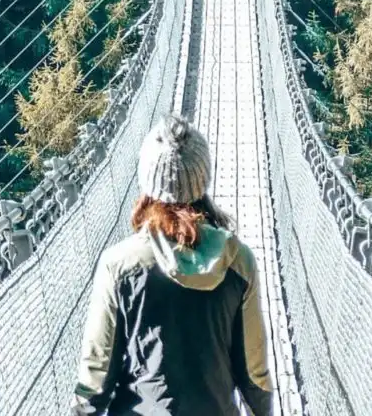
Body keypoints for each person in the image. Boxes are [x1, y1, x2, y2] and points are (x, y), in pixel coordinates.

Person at [72, 115, 274, 416]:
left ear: (148, 181)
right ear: (201, 177)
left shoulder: (118, 265)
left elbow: (97, 375)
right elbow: (253, 372)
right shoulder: (238, 261)